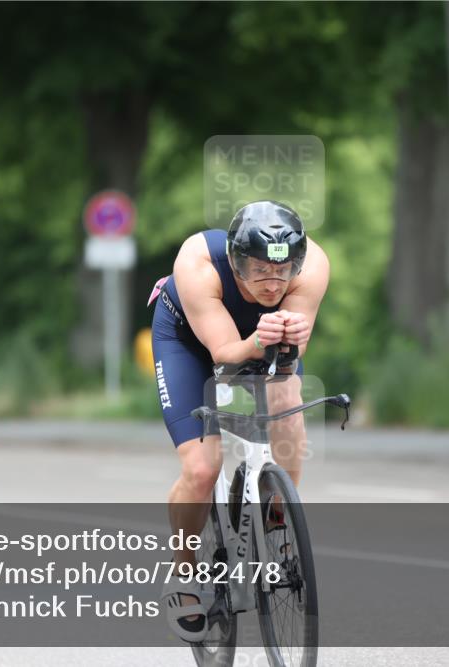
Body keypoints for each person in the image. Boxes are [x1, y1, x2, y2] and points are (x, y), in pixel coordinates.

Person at [147, 200, 329, 641]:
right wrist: (256, 341)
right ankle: (183, 572)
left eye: (282, 271)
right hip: (191, 342)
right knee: (202, 468)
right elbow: (225, 355)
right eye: (259, 269)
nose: (273, 282)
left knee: (288, 405)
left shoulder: (314, 265)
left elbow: (289, 353)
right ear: (234, 260)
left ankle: (279, 526)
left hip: (261, 340)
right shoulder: (198, 263)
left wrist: (293, 340)